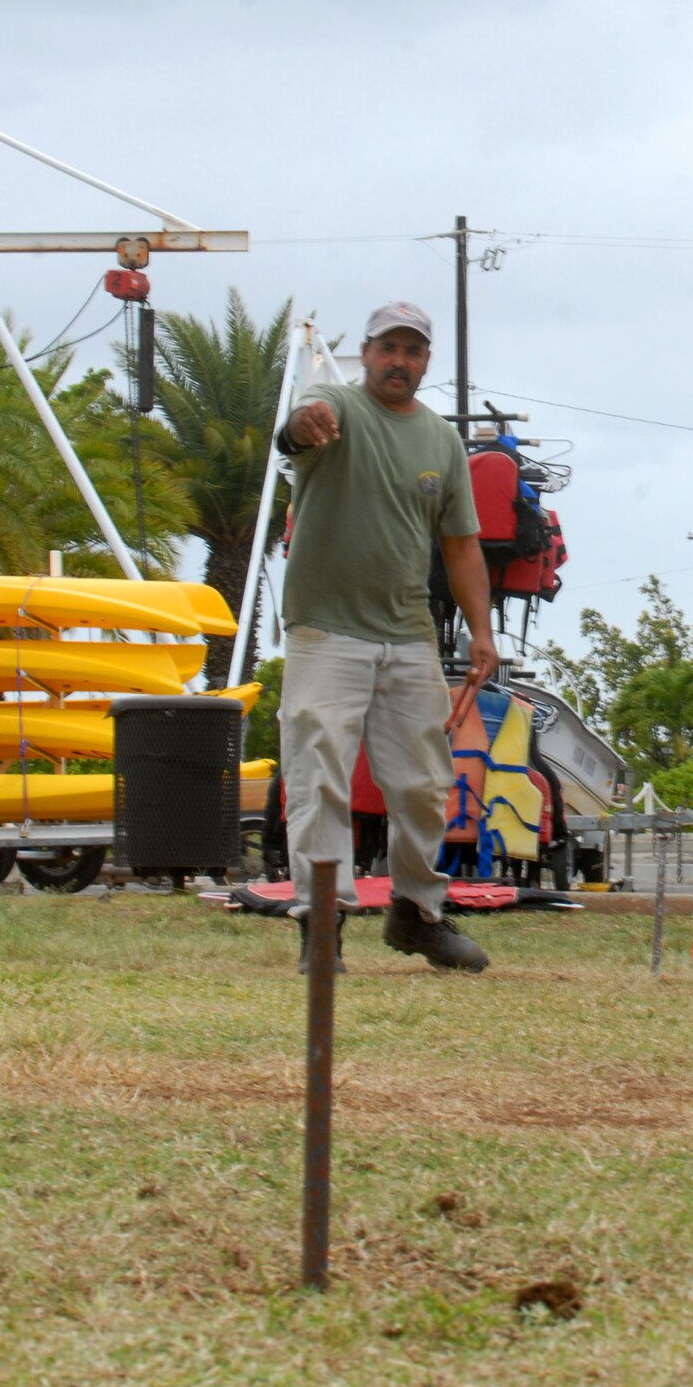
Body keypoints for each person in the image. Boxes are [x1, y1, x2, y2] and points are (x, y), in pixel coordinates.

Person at [277, 301, 499, 974]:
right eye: (388, 347)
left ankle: (417, 916)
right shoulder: (332, 406)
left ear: (425, 361)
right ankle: (322, 928)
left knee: (425, 786)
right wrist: (301, 426)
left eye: (414, 351)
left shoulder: (441, 442)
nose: (400, 361)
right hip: (326, 628)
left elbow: (461, 546)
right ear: (366, 352)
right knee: (320, 776)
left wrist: (482, 633)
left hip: (408, 634)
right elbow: (293, 430)